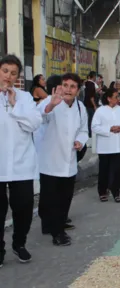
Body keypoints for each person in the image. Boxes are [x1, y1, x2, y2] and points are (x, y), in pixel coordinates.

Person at [0, 55, 42, 266]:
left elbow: (34, 124)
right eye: (5, 71)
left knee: (23, 207)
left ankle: (19, 244)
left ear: (18, 77)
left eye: (13, 73)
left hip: (21, 164)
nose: (8, 76)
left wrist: (15, 105)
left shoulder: (24, 98)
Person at [38, 73, 88, 246]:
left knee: (64, 197)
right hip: (50, 160)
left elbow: (84, 130)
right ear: (60, 86)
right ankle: (51, 226)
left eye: (73, 86)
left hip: (69, 161)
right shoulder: (50, 102)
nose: (68, 89)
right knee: (48, 198)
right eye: (65, 85)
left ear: (77, 90)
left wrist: (80, 141)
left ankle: (58, 230)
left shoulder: (80, 108)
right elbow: (39, 118)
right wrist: (51, 104)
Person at [91, 88, 120, 203]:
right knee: (104, 170)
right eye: (116, 97)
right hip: (105, 146)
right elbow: (94, 126)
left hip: (119, 145)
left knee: (117, 170)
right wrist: (109, 129)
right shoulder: (100, 111)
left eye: (118, 97)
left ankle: (116, 192)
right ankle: (103, 192)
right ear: (108, 98)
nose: (118, 99)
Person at [84, 71, 98, 138]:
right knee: (91, 119)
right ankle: (90, 133)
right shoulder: (91, 84)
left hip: (86, 104)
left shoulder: (86, 84)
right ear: (94, 77)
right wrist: (94, 105)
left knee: (89, 119)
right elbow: (91, 96)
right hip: (90, 105)